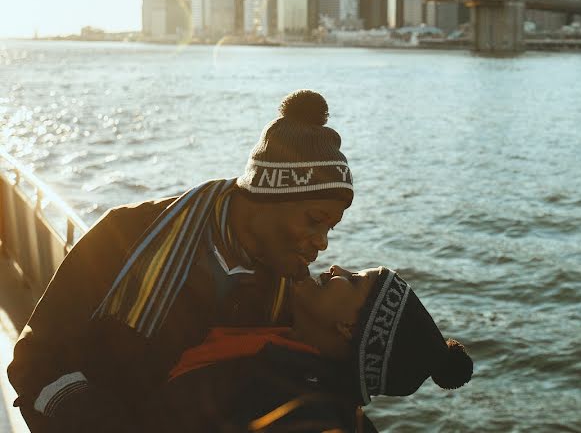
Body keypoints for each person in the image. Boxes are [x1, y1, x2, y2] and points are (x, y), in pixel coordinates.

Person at [8, 90, 355, 433]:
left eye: (329, 228)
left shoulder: (289, 295)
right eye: (314, 219)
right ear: (269, 196)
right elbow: (35, 362)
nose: (322, 241)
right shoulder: (127, 235)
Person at [148, 265, 473, 432]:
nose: (337, 270)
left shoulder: (299, 415)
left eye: (356, 279)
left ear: (350, 328)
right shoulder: (274, 329)